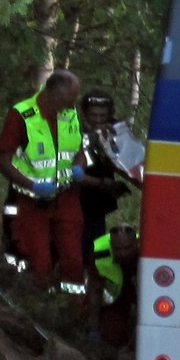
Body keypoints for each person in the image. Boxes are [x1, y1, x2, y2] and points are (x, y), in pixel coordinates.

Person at [0, 70, 92, 313]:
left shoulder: (70, 114)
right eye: (71, 97)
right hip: (32, 202)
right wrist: (32, 186)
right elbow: (2, 161)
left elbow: (80, 150)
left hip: (67, 198)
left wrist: (80, 167)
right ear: (53, 94)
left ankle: (74, 312)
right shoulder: (22, 115)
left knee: (73, 260)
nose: (74, 103)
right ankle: (42, 311)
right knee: (39, 261)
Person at [78, 89, 135, 261]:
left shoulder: (114, 131)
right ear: (84, 114)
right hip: (74, 198)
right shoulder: (74, 131)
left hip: (97, 203)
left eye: (102, 116)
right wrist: (103, 183)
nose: (98, 120)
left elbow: (127, 160)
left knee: (94, 244)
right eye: (93, 115)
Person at [89, 223, 141, 347]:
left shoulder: (149, 250)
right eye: (118, 249)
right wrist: (93, 328)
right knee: (111, 336)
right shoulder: (100, 253)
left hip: (142, 294)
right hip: (116, 298)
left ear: (136, 243)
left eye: (127, 248)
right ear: (111, 245)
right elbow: (94, 291)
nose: (123, 254)